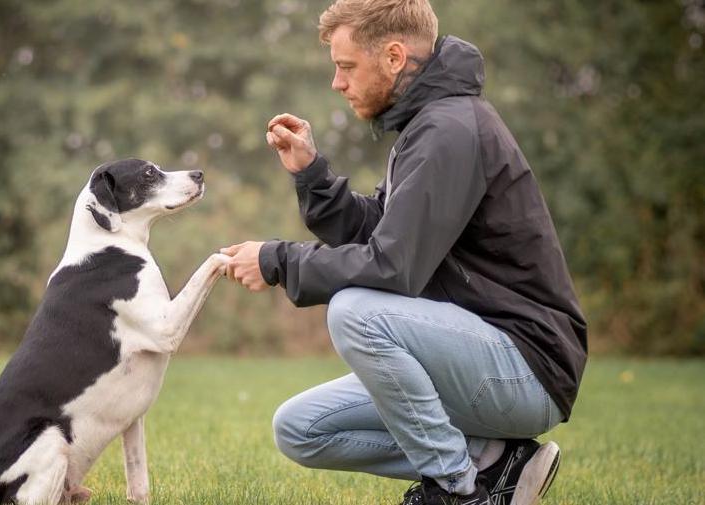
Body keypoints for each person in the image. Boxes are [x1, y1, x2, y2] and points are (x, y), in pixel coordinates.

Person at [220, 1, 587, 504]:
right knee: (300, 428)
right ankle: (494, 463)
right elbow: (379, 231)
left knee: (357, 312)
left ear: (394, 56)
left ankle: (459, 491)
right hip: (474, 359)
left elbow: (392, 267)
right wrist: (311, 175)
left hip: (525, 368)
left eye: (346, 66)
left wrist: (277, 260)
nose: (337, 82)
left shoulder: (450, 131)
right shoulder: (429, 126)